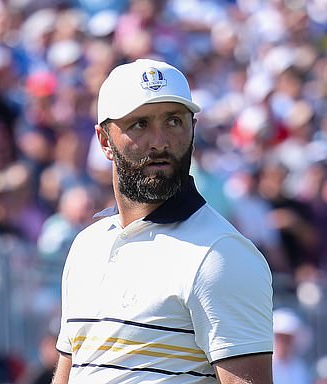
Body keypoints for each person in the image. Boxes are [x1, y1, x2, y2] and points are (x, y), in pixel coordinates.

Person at [52, 59, 273, 383]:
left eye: (173, 121)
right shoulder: (87, 244)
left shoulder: (222, 256)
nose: (160, 141)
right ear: (104, 141)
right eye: (140, 124)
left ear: (193, 129)